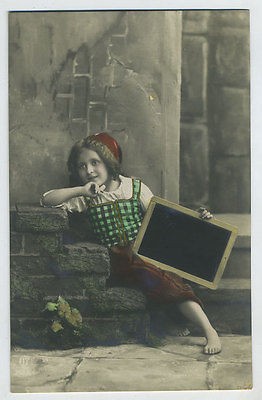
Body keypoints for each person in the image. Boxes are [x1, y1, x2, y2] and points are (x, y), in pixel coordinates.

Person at [41, 132, 221, 354]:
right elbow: (46, 200)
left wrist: (197, 218)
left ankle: (206, 329)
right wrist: (81, 190)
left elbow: (163, 217)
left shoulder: (135, 188)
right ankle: (203, 328)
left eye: (94, 162)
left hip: (146, 250)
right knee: (152, 274)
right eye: (81, 166)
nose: (88, 170)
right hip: (119, 260)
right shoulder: (85, 198)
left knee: (169, 274)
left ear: (109, 161)